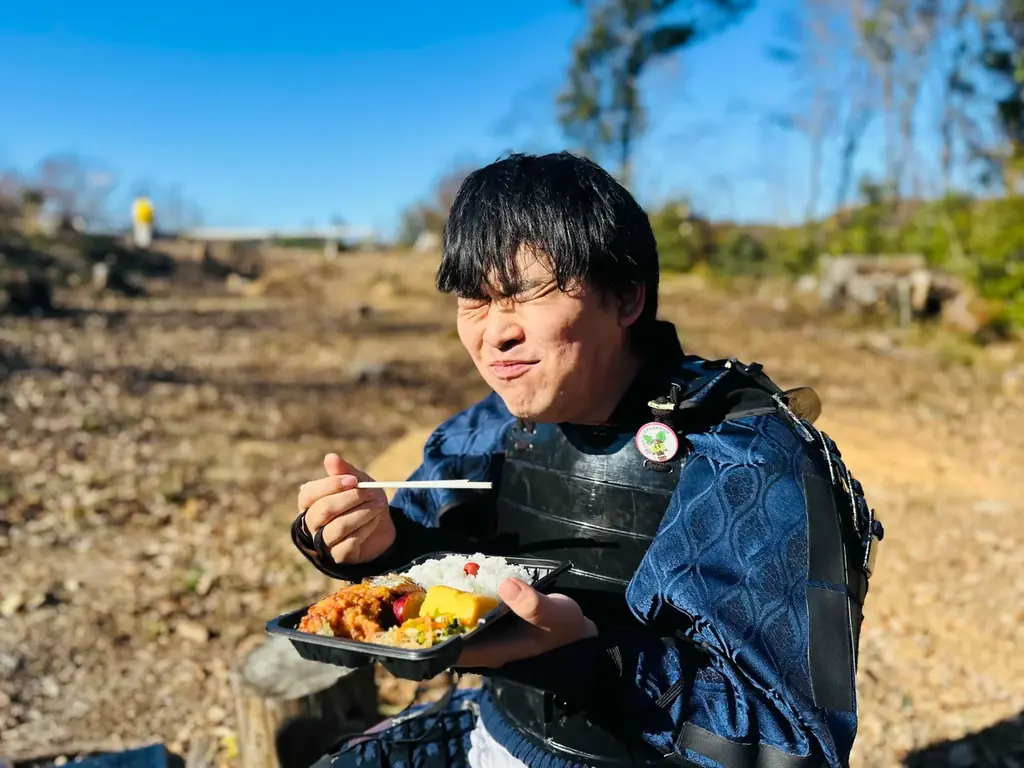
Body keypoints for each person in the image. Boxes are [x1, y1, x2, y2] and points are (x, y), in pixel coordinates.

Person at [291, 152, 883, 768]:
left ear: (626, 297)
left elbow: (793, 744)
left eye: (525, 294)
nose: (495, 333)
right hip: (493, 732)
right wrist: (369, 541)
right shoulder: (487, 428)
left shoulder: (743, 456)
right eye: (474, 300)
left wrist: (594, 662)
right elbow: (417, 563)